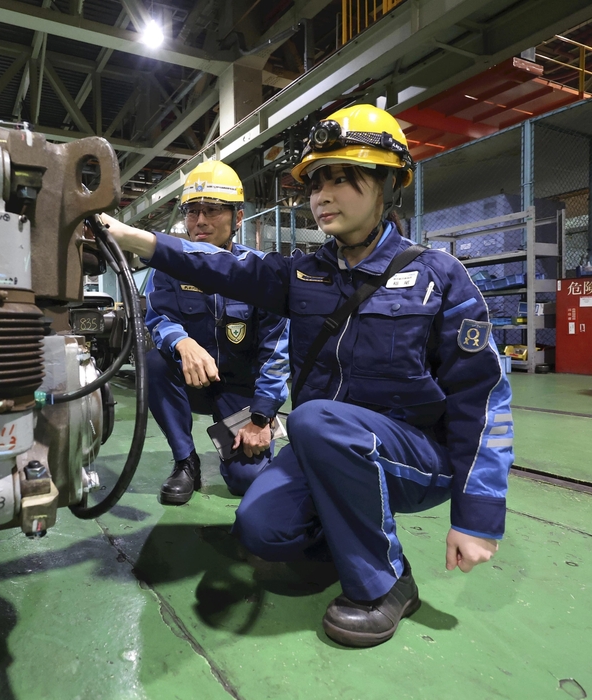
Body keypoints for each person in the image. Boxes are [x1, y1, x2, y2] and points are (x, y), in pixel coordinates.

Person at [101, 105, 513, 648]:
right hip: (328, 446)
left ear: (388, 184)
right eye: (317, 179)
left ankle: (386, 583)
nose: (323, 193)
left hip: (414, 456)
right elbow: (219, 265)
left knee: (317, 420)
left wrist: (477, 514)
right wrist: (129, 236)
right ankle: (340, 526)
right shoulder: (303, 274)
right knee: (260, 529)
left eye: (345, 177)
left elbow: (481, 399)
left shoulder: (438, 277)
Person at [143, 160, 290, 505]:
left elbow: (276, 351)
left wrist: (261, 416)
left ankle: (254, 446)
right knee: (154, 363)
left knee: (246, 481)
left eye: (212, 211)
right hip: (192, 380)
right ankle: (185, 462)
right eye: (192, 212)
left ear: (238, 218)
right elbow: (159, 316)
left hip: (239, 388)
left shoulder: (260, 273)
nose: (200, 222)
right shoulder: (169, 268)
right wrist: (182, 341)